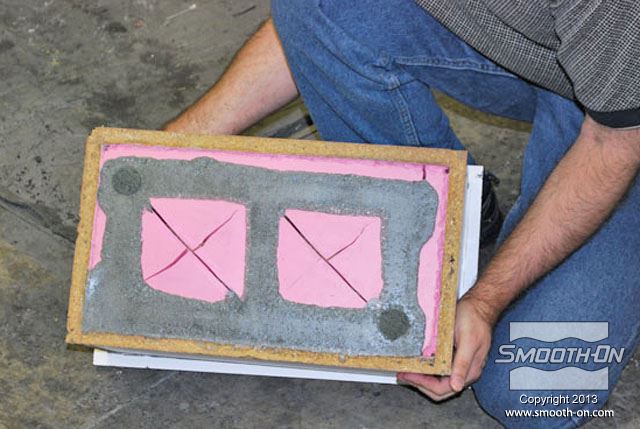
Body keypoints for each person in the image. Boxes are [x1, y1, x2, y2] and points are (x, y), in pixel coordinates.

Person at [165, 1, 640, 426]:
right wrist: (172, 150)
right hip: (551, 56)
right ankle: (458, 212)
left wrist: (485, 302)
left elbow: (613, 144)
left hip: (620, 128)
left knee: (535, 393)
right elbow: (315, 14)